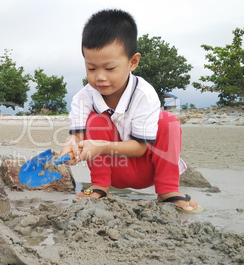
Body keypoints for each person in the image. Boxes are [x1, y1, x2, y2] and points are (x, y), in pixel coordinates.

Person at [60, 9, 199, 212]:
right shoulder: (83, 97)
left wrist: (100, 146)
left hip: (146, 170)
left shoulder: (144, 95)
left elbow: (141, 148)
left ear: (132, 62)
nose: (99, 77)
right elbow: (77, 137)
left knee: (168, 121)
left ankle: (168, 190)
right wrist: (71, 147)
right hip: (112, 171)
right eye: (91, 68)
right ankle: (100, 187)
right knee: (95, 120)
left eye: (109, 69)